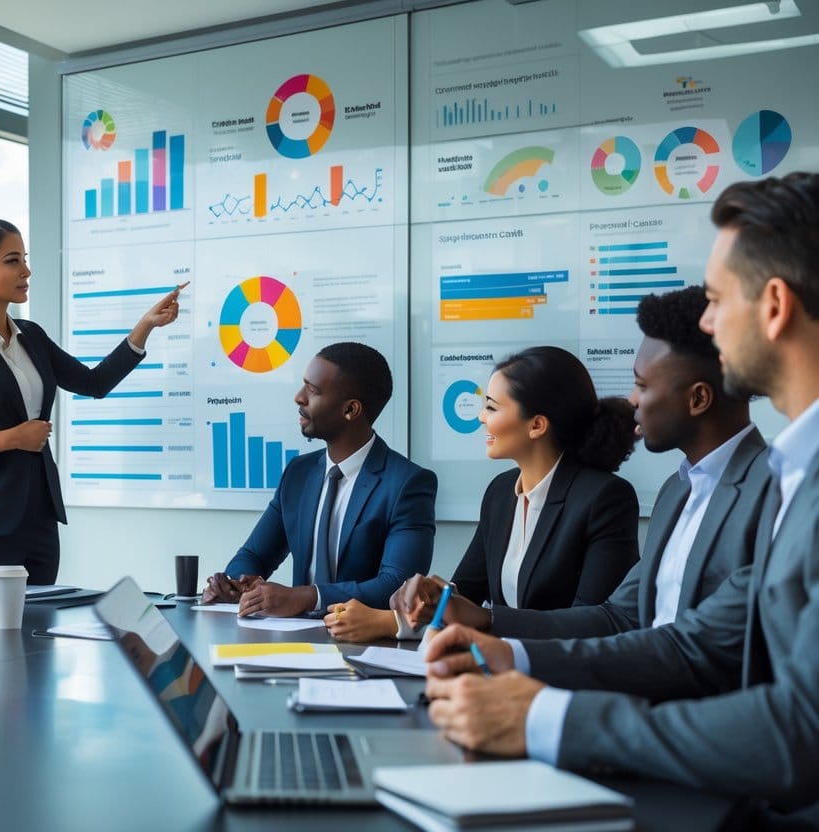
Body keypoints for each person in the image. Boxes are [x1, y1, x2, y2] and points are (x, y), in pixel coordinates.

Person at [423, 172, 819, 819]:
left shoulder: (783, 484)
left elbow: (799, 726)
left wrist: (548, 718)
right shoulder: (782, 478)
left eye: (717, 300)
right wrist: (509, 650)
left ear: (773, 306)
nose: (708, 322)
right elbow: (685, 640)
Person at [375, 286, 770, 642]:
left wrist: (494, 631)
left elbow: (669, 643)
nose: (631, 400)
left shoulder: (772, 491)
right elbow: (620, 618)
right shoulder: (678, 489)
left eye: (643, 386)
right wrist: (449, 606)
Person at [0, 218, 183, 588]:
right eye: (12, 261)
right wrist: (8, 439)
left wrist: (145, 327)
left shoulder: (33, 337)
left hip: (40, 522)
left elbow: (94, 383)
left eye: (24, 258)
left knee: (37, 639)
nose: (26, 270)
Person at [325, 346, 639, 641]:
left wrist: (487, 618)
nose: (481, 417)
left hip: (563, 682)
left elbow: (594, 625)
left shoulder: (606, 499)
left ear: (537, 425)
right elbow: (467, 594)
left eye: (491, 406)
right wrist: (429, 595)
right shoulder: (501, 492)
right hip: (498, 669)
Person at [201, 342, 437, 617]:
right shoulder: (298, 473)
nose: (299, 398)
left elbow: (396, 586)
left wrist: (305, 597)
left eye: (312, 391)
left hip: (364, 643)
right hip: (293, 640)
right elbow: (254, 555)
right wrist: (235, 584)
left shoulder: (407, 484)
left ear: (351, 410)